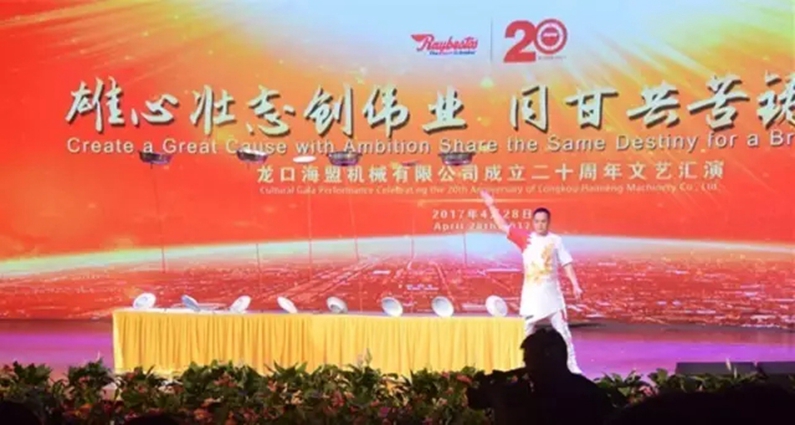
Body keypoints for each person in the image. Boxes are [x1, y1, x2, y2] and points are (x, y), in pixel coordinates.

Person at [481, 190, 583, 373]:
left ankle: (572, 368)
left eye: (543, 221)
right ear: (533, 222)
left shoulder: (556, 241)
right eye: (537, 221)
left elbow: (566, 262)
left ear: (548, 222)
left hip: (553, 295)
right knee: (527, 332)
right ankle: (525, 367)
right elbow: (503, 225)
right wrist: (491, 206)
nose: (540, 224)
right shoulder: (525, 238)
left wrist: (575, 284)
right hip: (531, 295)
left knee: (563, 332)